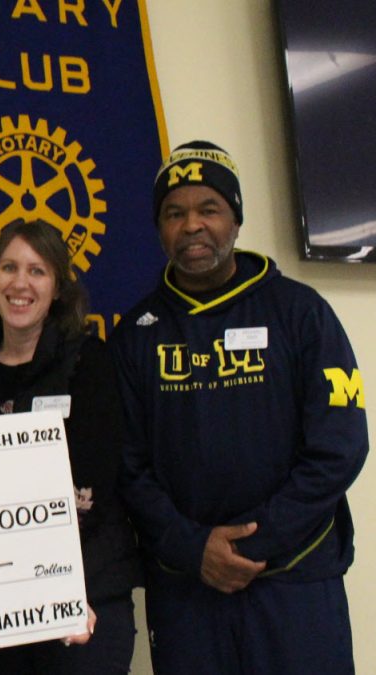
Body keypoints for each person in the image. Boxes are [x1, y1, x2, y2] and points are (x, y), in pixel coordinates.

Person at [111, 140, 368, 674]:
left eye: (210, 209)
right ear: (160, 228)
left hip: (295, 582)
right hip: (187, 591)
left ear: (236, 219)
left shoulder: (302, 314)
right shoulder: (135, 335)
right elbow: (126, 466)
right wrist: (194, 546)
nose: (192, 226)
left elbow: (340, 447)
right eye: (174, 213)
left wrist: (258, 542)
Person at [0, 219, 140, 674]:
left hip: (84, 593)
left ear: (58, 289)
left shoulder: (90, 363)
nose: (20, 283)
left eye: (37, 270)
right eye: (9, 267)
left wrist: (59, 585)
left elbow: (93, 486)